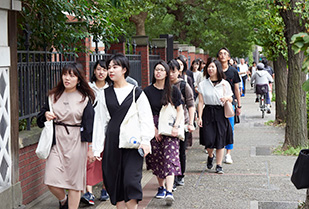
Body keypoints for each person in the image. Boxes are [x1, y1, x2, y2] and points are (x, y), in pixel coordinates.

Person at [92, 53, 155, 209]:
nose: (111, 70)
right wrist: (97, 148)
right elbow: (100, 122)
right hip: (113, 143)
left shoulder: (137, 92)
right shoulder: (104, 94)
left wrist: (146, 140)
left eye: (115, 67)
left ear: (124, 69)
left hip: (133, 144)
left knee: (131, 181)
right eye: (109, 67)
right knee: (115, 183)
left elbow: (145, 118)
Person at [37, 63, 95, 209]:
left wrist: (90, 148)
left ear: (78, 79)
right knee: (51, 180)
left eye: (72, 75)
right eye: (65, 74)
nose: (67, 78)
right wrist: (45, 115)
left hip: (77, 142)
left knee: (74, 183)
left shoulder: (85, 98)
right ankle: (64, 201)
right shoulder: (53, 96)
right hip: (56, 141)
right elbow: (38, 120)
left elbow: (90, 126)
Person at [144, 60, 184, 206]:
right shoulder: (147, 91)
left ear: (166, 73)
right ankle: (160, 187)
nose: (158, 72)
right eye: (156, 70)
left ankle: (169, 191)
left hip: (169, 126)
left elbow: (180, 110)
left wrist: (176, 126)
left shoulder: (173, 90)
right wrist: (154, 130)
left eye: (161, 70)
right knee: (156, 158)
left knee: (170, 157)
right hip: (153, 126)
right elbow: (145, 112)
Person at [81, 60, 110, 205]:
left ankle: (106, 189)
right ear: (94, 71)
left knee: (106, 160)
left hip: (107, 129)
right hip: (91, 129)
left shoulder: (110, 89)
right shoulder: (88, 89)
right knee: (90, 160)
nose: (101, 72)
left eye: (104, 70)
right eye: (98, 69)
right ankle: (89, 192)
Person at [198, 58, 233, 174]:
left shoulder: (224, 83)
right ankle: (210, 155)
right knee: (208, 140)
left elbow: (231, 98)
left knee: (220, 139)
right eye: (208, 67)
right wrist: (200, 117)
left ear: (217, 69)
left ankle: (219, 165)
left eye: (212, 67)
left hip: (220, 112)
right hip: (208, 112)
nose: (210, 69)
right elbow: (201, 102)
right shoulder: (203, 84)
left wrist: (226, 98)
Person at [169, 59, 195, 189]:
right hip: (167, 123)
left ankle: (180, 175)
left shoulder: (184, 85)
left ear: (178, 71)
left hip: (182, 123)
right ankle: (171, 177)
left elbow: (191, 104)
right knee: (169, 152)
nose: (171, 74)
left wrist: (191, 122)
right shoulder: (163, 85)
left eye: (173, 71)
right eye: (169, 71)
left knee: (180, 151)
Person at [217, 47, 241, 164]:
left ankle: (228, 154)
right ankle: (217, 150)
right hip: (215, 104)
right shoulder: (214, 71)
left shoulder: (233, 72)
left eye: (225, 54)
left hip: (229, 103)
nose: (222, 55)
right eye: (220, 54)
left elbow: (236, 89)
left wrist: (239, 106)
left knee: (230, 128)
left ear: (229, 57)